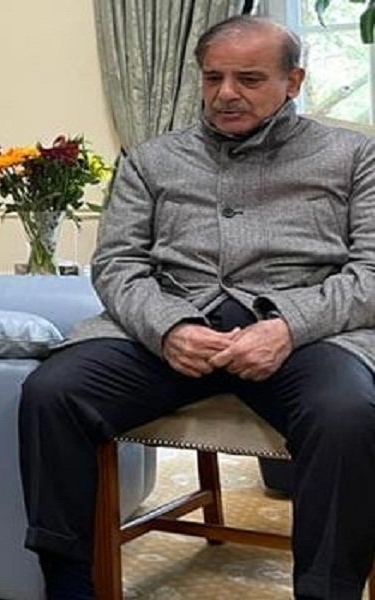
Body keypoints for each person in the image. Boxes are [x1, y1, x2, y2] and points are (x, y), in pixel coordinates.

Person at [19, 15, 375, 600]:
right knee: (53, 392)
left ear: (293, 81)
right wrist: (167, 327)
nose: (226, 93)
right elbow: (118, 264)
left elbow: (370, 272)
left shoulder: (355, 155)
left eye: (249, 79)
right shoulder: (151, 159)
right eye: (214, 78)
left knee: (347, 414)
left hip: (306, 336)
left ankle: (327, 591)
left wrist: (289, 327)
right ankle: (70, 586)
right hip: (173, 330)